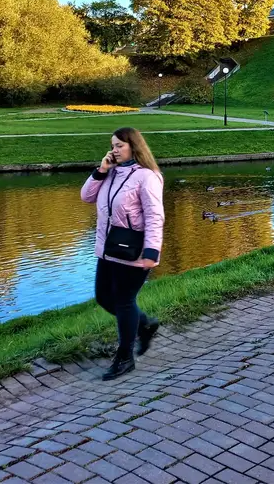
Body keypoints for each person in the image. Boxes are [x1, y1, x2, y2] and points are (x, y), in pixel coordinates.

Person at [80, 126, 165, 380]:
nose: (114, 150)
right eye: (112, 145)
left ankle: (125, 357)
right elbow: (86, 197)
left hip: (134, 251)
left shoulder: (147, 176)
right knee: (104, 298)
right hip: (107, 249)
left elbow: (154, 215)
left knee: (124, 301)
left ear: (133, 146)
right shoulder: (111, 173)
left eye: (119, 145)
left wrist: (152, 251)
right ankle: (145, 325)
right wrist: (102, 170)